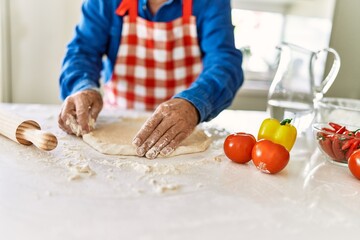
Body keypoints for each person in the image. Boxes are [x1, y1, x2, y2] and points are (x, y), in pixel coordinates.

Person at [58, 0, 243, 159]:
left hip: (186, 129)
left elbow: (224, 63)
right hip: (117, 118)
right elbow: (82, 52)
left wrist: (194, 103)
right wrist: (82, 87)